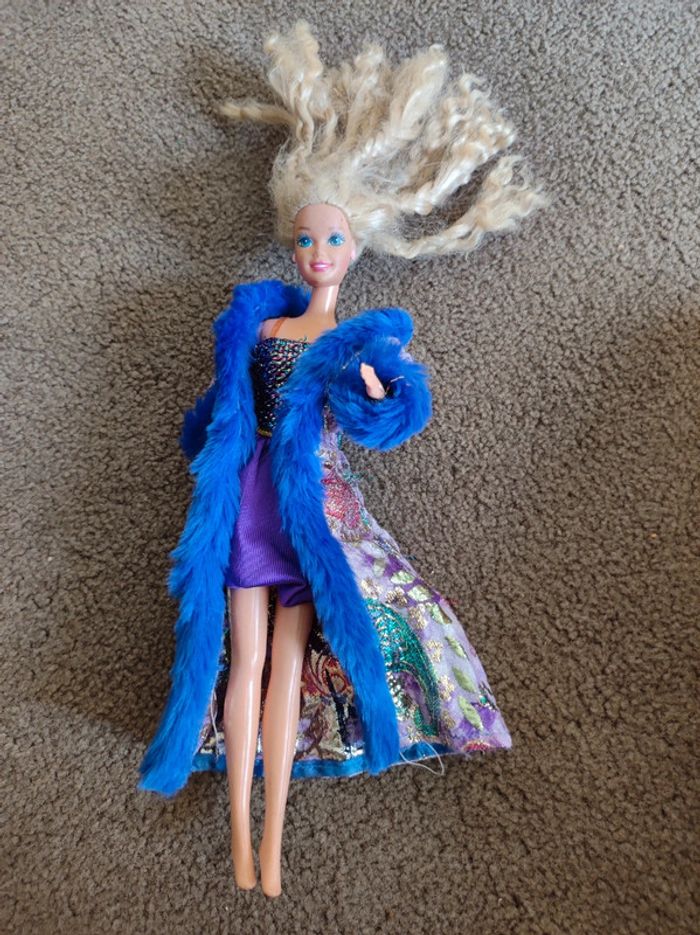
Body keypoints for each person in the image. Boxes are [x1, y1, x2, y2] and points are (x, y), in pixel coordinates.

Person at [138, 22, 547, 898]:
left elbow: (390, 420)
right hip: (247, 499)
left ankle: (272, 839)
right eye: (306, 240)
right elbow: (215, 415)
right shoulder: (261, 324)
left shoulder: (363, 338)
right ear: (293, 246)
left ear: (356, 247)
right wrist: (212, 435)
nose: (318, 253)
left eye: (332, 241)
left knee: (287, 662)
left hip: (316, 507)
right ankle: (241, 833)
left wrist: (378, 386)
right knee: (243, 661)